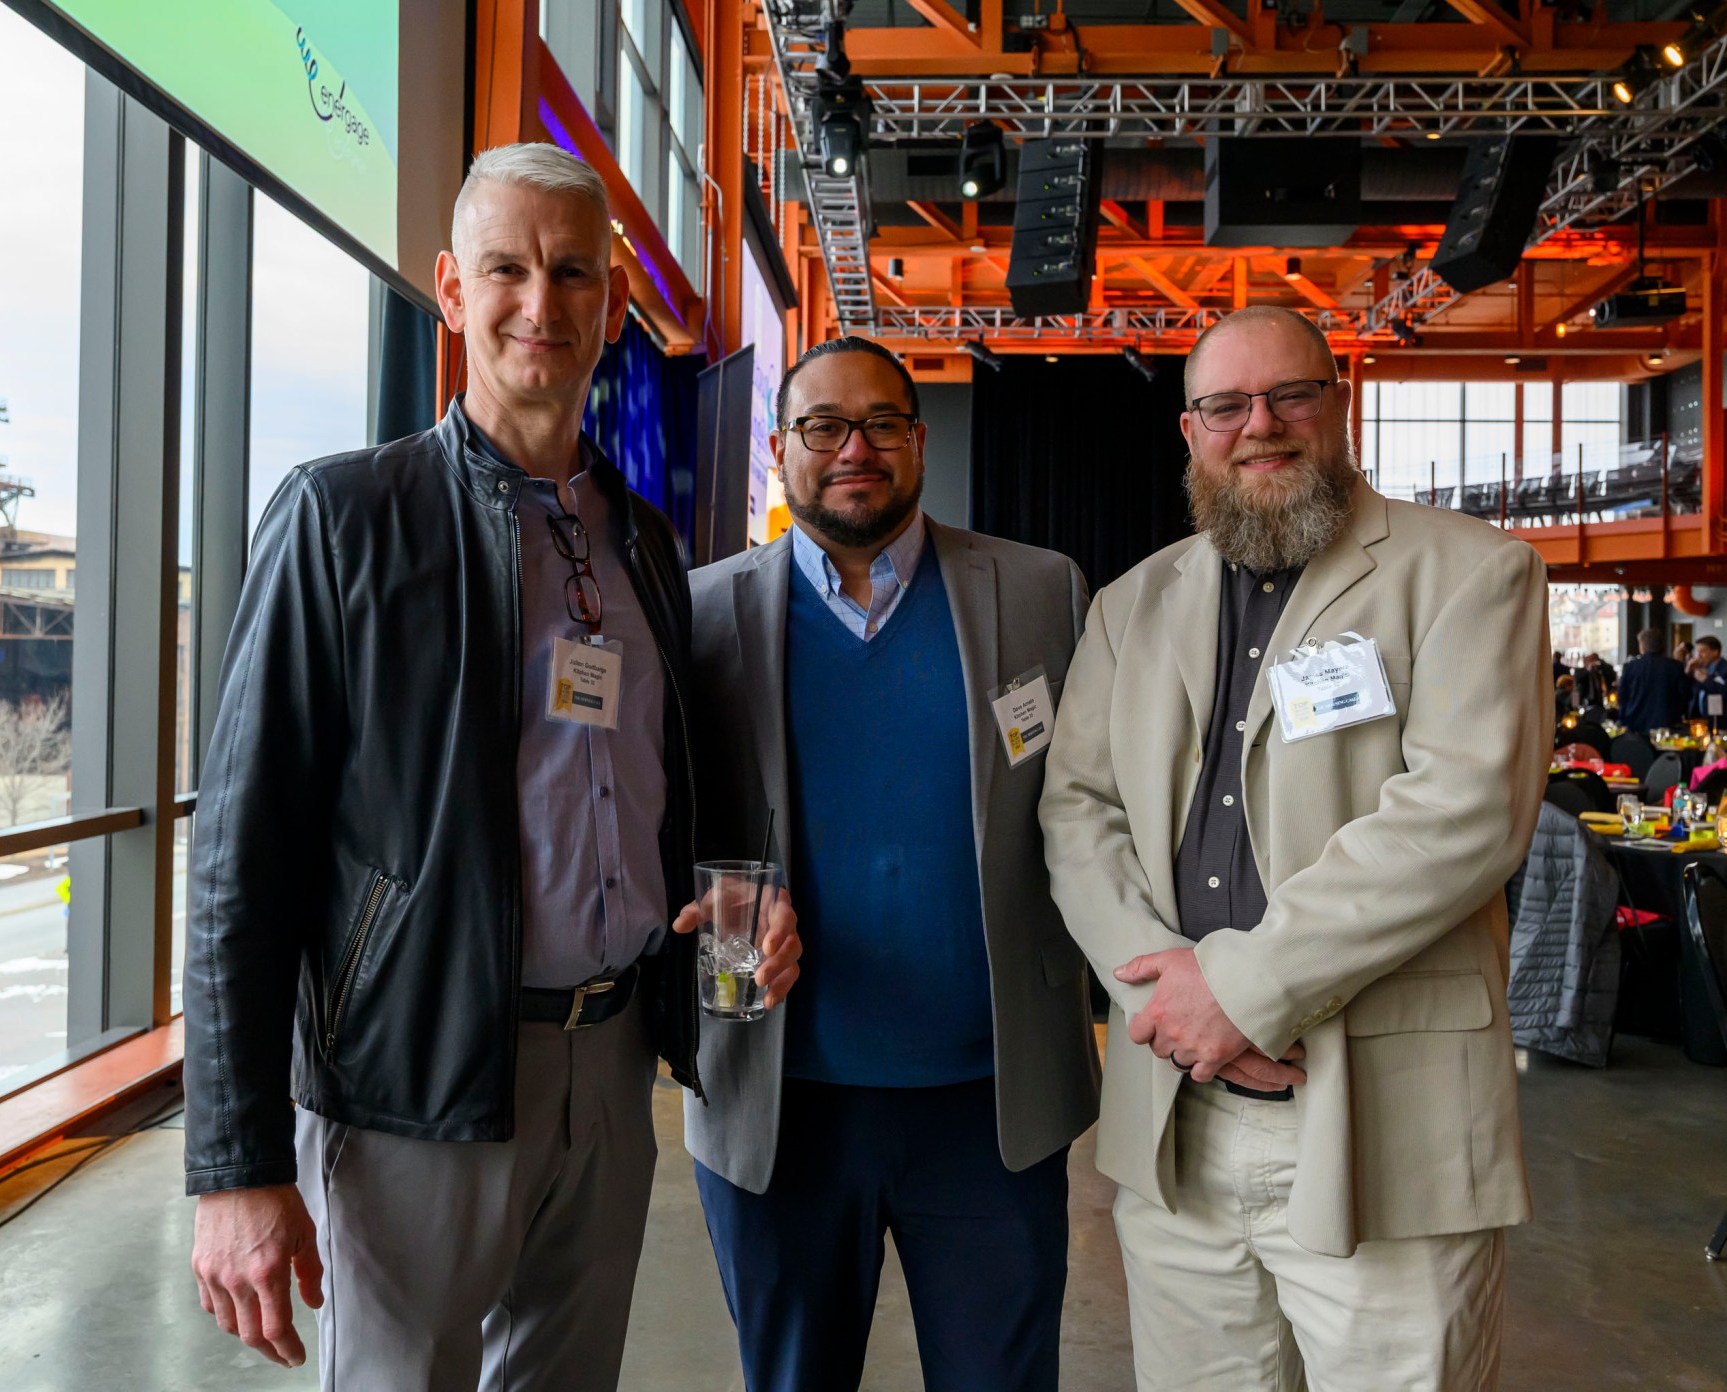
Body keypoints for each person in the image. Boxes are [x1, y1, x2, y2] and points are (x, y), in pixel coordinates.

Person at [180, 143, 801, 1392]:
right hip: (412, 1074)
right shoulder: (341, 518)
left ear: (613, 308)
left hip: (611, 1063)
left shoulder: (638, 537)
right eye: (506, 269)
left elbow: (655, 781)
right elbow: (239, 860)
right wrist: (233, 1165)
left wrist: (731, 902)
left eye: (574, 273)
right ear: (450, 293)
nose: (542, 304)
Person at [1040, 305, 1549, 1392]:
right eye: (1225, 405)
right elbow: (1077, 815)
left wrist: (1240, 991)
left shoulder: (1469, 572)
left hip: (1383, 1128)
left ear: (1338, 402)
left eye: (1289, 397)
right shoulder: (1129, 607)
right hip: (1175, 1121)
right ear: (1189, 431)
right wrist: (1170, 1007)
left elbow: (1460, 814)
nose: (1257, 426)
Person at [678, 335, 1100, 1392]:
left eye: (880, 423)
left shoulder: (1041, 593)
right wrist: (719, 914)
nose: (851, 447)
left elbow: (1098, 806)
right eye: (822, 425)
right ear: (779, 449)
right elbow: (653, 824)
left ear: (917, 441)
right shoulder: (700, 614)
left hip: (987, 1104)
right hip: (781, 1105)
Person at [1617, 628, 1692, 733]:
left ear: (1642, 646)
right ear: (1662, 646)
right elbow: (1685, 695)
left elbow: (1622, 697)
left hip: (1635, 723)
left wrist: (1623, 718)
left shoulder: (1630, 667)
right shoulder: (1675, 666)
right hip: (1667, 723)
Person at [1690, 634, 1727, 719]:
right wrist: (1688, 673)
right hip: (1699, 722)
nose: (1698, 656)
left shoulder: (1724, 669)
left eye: (1702, 652)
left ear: (1715, 652)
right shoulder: (1699, 669)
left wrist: (1706, 680)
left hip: (1720, 723)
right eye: (1697, 652)